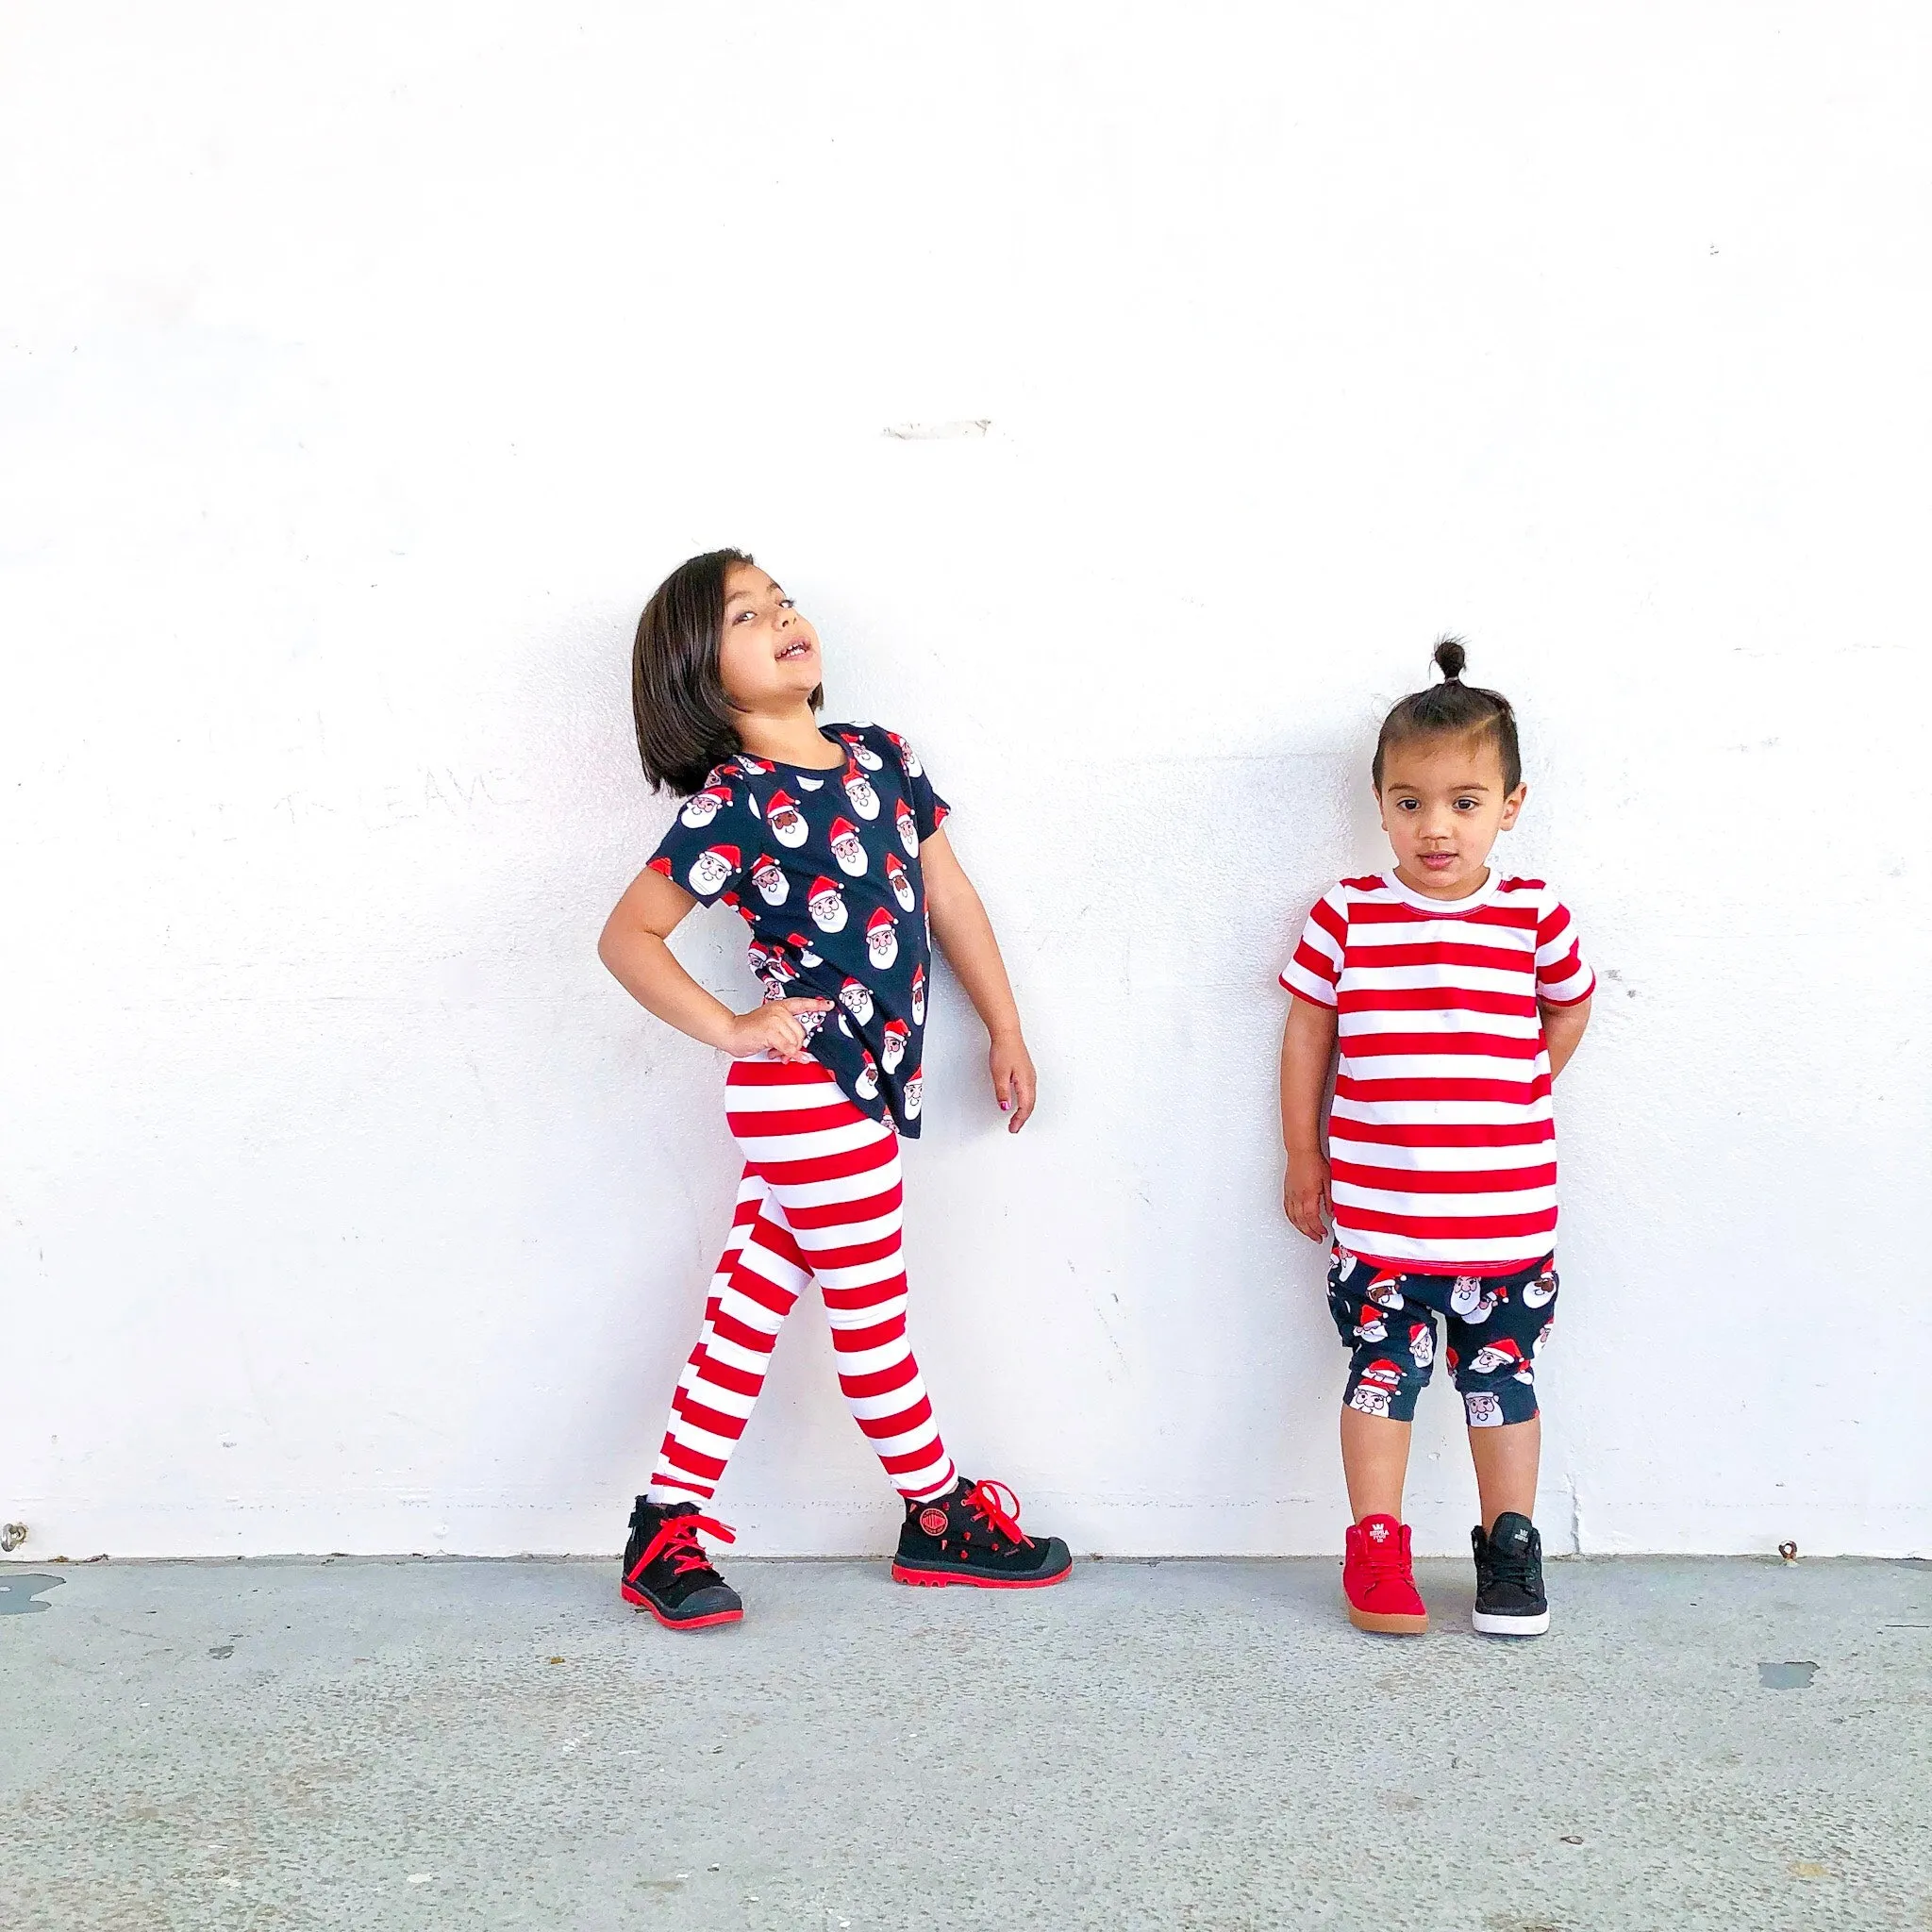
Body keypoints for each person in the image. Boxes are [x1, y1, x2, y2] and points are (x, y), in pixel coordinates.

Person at [599, 548, 1072, 1629]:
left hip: (839, 1099)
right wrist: (727, 1024)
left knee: (747, 1312)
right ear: (698, 677)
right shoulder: (735, 802)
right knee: (873, 1322)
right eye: (745, 616)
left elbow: (949, 900)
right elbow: (627, 936)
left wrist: (1003, 1023)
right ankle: (937, 1510)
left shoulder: (881, 757)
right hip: (808, 1088)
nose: (782, 617)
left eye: (783, 600)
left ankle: (662, 1524)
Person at [1277, 639, 1593, 1638]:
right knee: (1381, 1377)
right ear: (1378, 803)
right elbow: (1307, 1034)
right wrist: (1303, 1154)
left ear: (1509, 803)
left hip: (1503, 1219)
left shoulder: (1531, 913)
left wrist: (1519, 1086)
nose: (1434, 825)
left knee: (1502, 1384)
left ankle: (1508, 1542)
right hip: (1380, 1220)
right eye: (1409, 800)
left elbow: (1570, 1007)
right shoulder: (1347, 913)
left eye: (1463, 800)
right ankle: (1374, 1543)